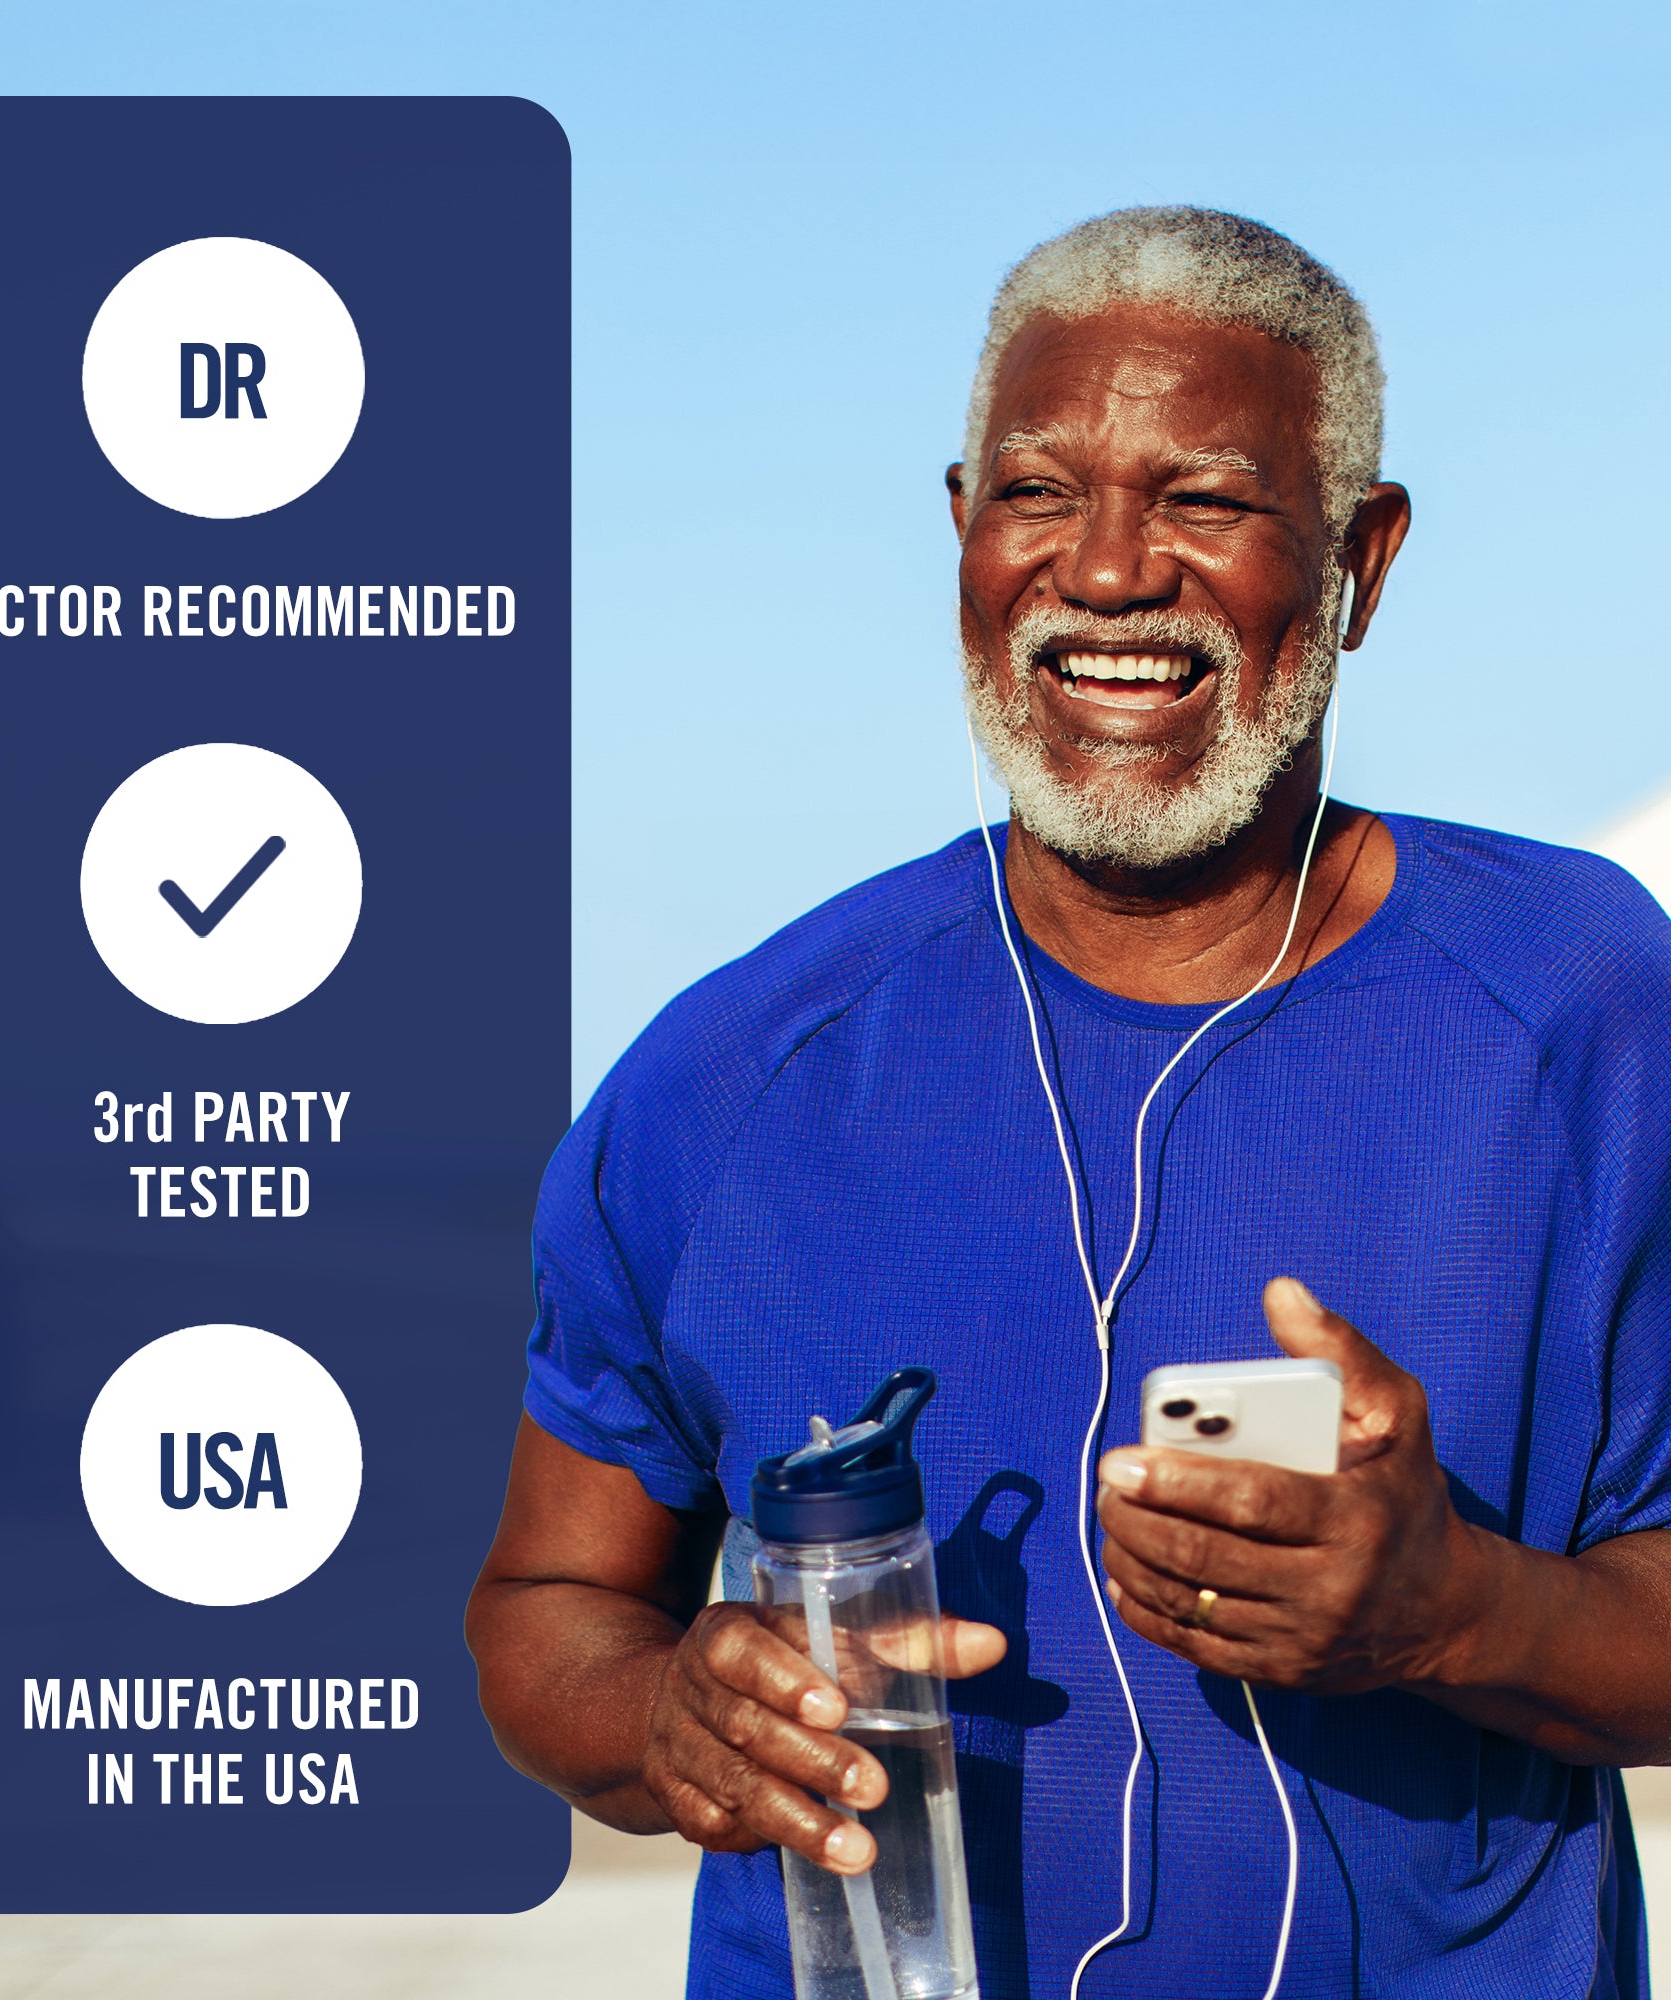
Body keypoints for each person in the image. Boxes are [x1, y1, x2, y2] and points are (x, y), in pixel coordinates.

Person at [466, 207, 1671, 1998]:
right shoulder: (729, 1079)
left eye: (1206, 500)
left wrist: (1456, 1610)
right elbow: (542, 1614)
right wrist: (664, 1715)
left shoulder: (1583, 1002)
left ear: (1360, 557)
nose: (1109, 573)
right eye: (1040, 492)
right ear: (962, 529)